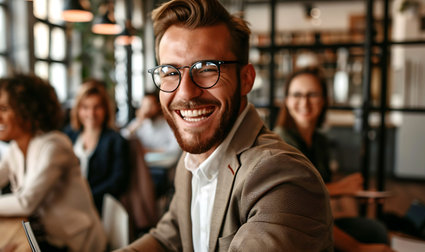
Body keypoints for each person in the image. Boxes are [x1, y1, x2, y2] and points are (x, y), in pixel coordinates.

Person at [117, 0, 333, 251]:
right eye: (170, 71)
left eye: (207, 68)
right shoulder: (192, 160)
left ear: (246, 79)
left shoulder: (280, 175)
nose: (186, 92)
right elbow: (169, 238)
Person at [274, 67, 393, 252]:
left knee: (382, 224)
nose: (304, 102)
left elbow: (320, 194)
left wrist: (351, 191)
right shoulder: (281, 141)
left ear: (324, 100)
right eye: (296, 95)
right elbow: (297, 197)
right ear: (287, 101)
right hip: (295, 230)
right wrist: (343, 187)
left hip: (317, 221)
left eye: (312, 94)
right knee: (376, 232)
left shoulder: (319, 141)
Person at [0, 74, 106, 251]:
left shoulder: (54, 146)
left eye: (4, 109)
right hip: (44, 237)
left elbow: (26, 202)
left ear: (27, 112)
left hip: (74, 243)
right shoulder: (16, 148)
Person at [64, 79, 129, 214]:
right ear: (77, 110)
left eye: (97, 107)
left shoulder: (116, 141)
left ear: (106, 109)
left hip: (101, 209)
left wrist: (86, 198)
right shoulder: (68, 135)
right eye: (85, 107)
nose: (91, 113)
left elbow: (117, 182)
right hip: (68, 204)